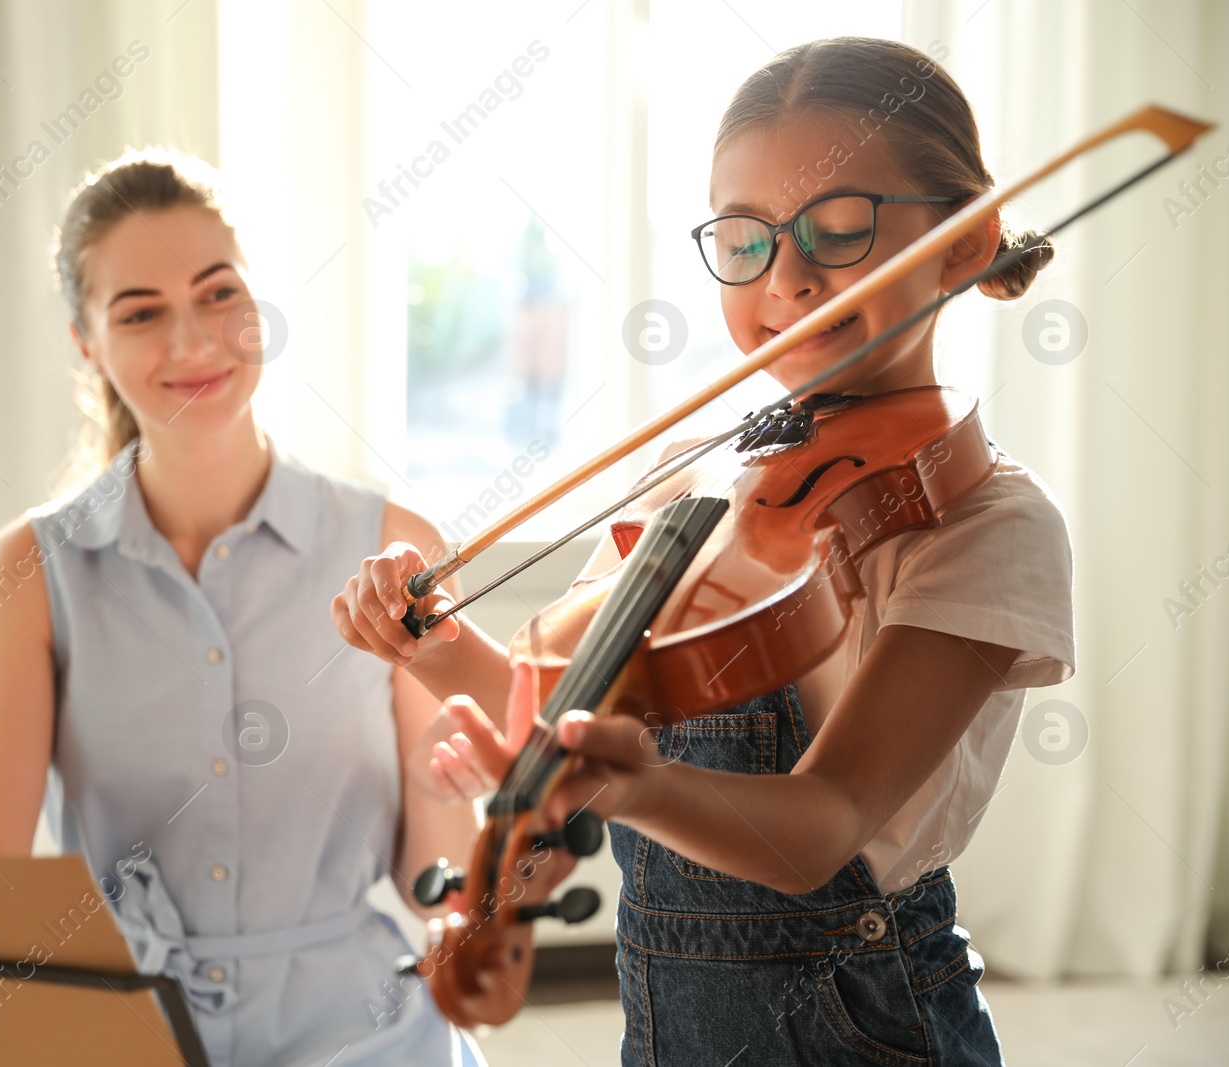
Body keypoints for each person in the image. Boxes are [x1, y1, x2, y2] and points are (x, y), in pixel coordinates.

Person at [333, 37, 1075, 1066]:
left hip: (865, 1023)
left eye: (841, 228)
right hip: (669, 1024)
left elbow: (827, 819)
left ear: (961, 241)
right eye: (746, 240)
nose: (789, 279)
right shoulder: (700, 477)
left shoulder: (987, 524)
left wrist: (631, 788)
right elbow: (572, 706)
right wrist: (431, 641)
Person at [0, 148, 488, 1067]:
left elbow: (439, 888)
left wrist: (456, 800)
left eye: (219, 293)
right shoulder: (31, 570)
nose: (194, 341)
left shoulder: (392, 545)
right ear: (86, 341)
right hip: (123, 1037)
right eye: (140, 312)